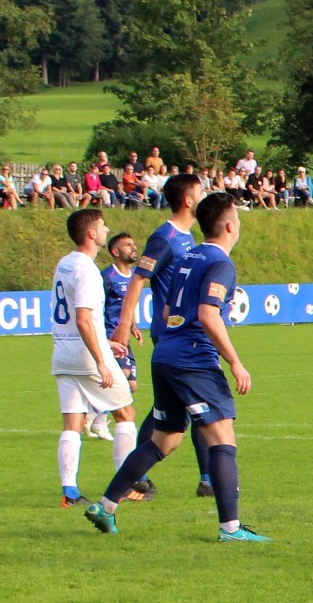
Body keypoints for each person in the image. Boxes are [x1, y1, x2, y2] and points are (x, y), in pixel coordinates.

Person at [86, 192, 268, 542]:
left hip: (166, 353)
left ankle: (106, 506)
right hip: (194, 358)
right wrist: (235, 362)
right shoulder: (220, 263)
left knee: (164, 441)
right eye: (238, 219)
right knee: (222, 440)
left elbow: (169, 307)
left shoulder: (187, 257)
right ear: (230, 226)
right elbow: (208, 314)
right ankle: (231, 529)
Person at [109, 173, 211, 499]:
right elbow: (138, 279)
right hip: (171, 333)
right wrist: (124, 325)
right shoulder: (165, 238)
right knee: (199, 404)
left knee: (174, 407)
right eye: (201, 190)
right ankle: (206, 480)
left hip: (185, 331)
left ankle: (143, 476)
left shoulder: (188, 237)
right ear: (188, 200)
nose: (205, 194)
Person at [51, 209, 136, 507]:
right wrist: (101, 358)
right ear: (91, 233)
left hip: (63, 354)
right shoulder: (87, 270)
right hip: (87, 357)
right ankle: (126, 486)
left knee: (72, 423)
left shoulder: (65, 263)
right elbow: (83, 318)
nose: (106, 229)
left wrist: (105, 342)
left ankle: (69, 492)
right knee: (125, 415)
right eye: (102, 226)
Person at [86, 231, 144, 452]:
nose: (134, 247)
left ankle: (92, 412)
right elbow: (97, 307)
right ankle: (99, 421)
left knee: (131, 385)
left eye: (133, 243)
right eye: (128, 245)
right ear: (116, 252)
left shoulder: (135, 276)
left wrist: (133, 326)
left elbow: (129, 304)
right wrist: (101, 336)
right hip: (110, 336)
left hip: (124, 336)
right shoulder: (107, 277)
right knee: (125, 377)